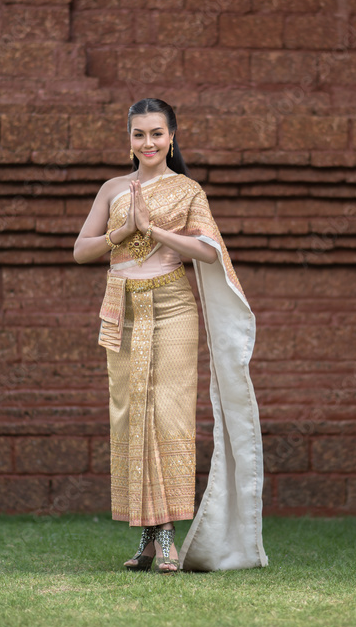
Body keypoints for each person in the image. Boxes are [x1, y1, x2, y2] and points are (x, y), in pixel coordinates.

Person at [73, 98, 268, 574]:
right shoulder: (113, 188)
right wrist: (121, 233)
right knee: (132, 415)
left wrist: (154, 229)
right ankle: (151, 535)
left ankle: (164, 537)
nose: (148, 143)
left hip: (173, 307)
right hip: (124, 308)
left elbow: (206, 249)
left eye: (157, 134)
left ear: (172, 137)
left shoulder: (186, 190)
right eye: (139, 135)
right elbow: (81, 250)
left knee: (169, 415)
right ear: (129, 140)